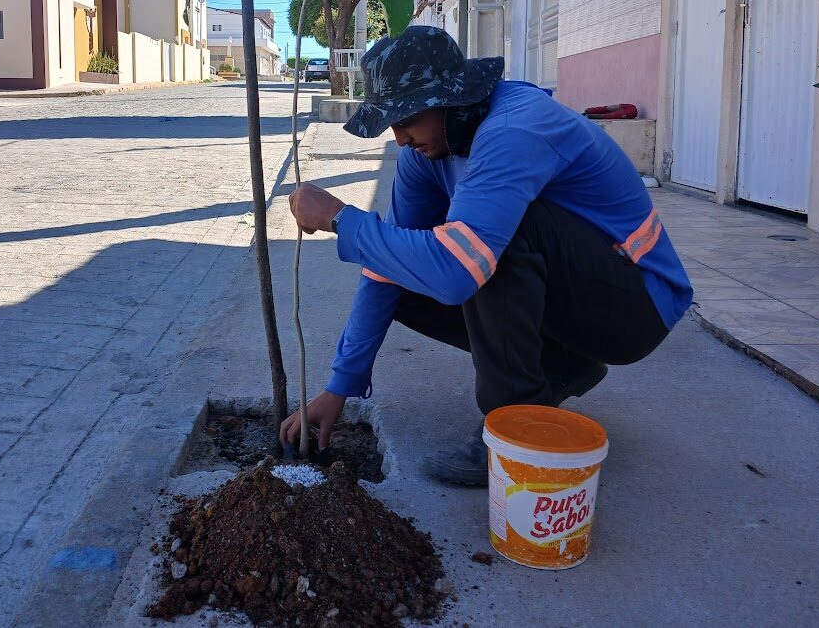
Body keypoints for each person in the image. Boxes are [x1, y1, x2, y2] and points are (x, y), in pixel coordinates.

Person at [280, 26, 692, 486]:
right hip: (581, 301)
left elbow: (459, 271)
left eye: (407, 120)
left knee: (486, 245)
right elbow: (384, 267)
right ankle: (560, 367)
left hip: (636, 306)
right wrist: (341, 386)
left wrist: (341, 220)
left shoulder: (514, 129)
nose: (400, 139)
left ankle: (517, 427)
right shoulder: (427, 154)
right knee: (404, 270)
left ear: (450, 100)